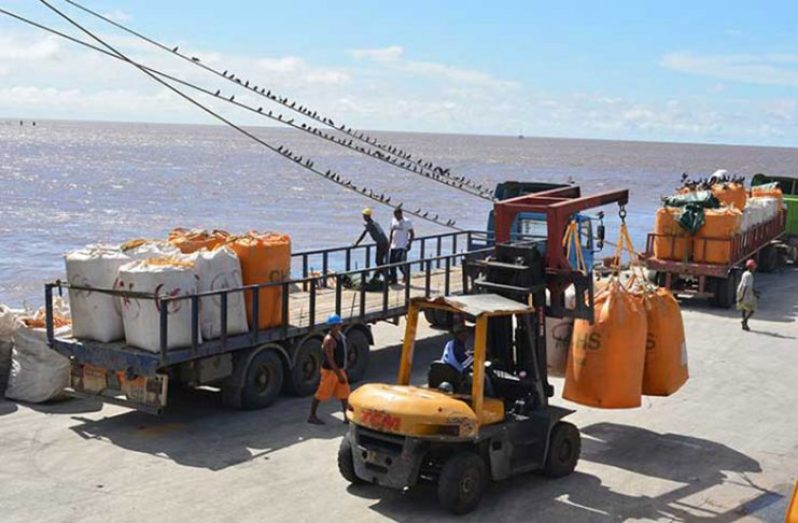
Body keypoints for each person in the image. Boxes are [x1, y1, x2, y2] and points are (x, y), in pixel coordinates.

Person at [308, 314, 350, 425]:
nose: (339, 326)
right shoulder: (329, 340)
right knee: (321, 393)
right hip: (330, 372)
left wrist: (342, 371)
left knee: (344, 394)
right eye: (337, 325)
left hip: (339, 370)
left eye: (340, 324)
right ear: (332, 326)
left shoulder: (340, 336)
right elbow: (330, 360)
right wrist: (339, 374)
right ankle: (312, 416)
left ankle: (347, 416)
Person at [353, 208, 389, 279]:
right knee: (380, 261)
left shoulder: (370, 224)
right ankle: (378, 276)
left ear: (368, 216)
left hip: (381, 244)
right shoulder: (374, 223)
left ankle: (386, 277)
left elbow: (363, 234)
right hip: (384, 243)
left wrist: (357, 243)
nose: (363, 217)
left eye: (364, 216)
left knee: (379, 261)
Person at [388, 207, 415, 284]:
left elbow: (412, 233)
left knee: (400, 262)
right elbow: (391, 232)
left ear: (401, 214)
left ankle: (406, 275)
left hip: (402, 246)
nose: (396, 216)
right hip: (393, 246)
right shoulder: (393, 221)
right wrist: (389, 243)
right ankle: (394, 280)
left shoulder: (407, 221)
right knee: (391, 264)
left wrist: (409, 243)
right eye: (394, 215)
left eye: (397, 215)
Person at [737, 259, 760, 331]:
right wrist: (742, 297)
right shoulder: (749, 275)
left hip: (741, 290)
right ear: (751, 267)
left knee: (744, 308)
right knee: (752, 308)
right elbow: (747, 287)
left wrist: (755, 292)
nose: (754, 268)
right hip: (746, 293)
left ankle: (745, 325)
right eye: (753, 267)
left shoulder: (745, 273)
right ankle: (744, 321)